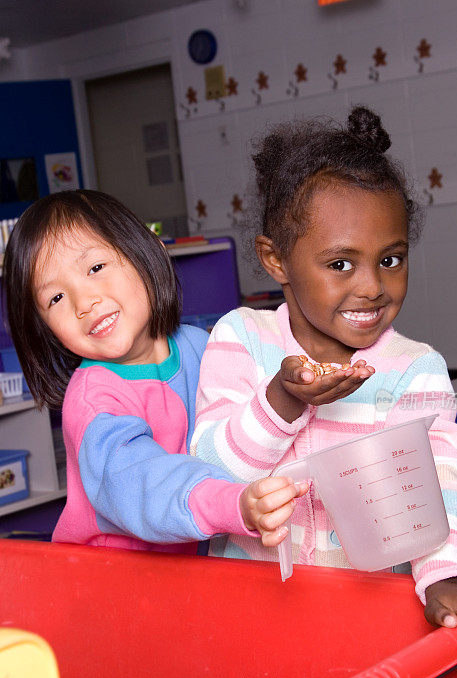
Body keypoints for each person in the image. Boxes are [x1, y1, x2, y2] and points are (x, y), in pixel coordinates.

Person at [191, 106, 457, 663]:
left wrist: (446, 577)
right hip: (250, 621)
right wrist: (280, 401)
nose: (372, 286)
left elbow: (439, 484)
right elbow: (210, 477)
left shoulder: (415, 368)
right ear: (277, 261)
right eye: (340, 264)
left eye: (391, 258)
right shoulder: (240, 339)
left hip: (366, 625)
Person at [3, 190, 307, 553]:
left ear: (148, 253)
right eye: (56, 298)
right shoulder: (93, 402)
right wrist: (233, 503)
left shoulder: (203, 346)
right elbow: (141, 482)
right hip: (112, 587)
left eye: (96, 268)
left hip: (190, 574)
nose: (84, 303)